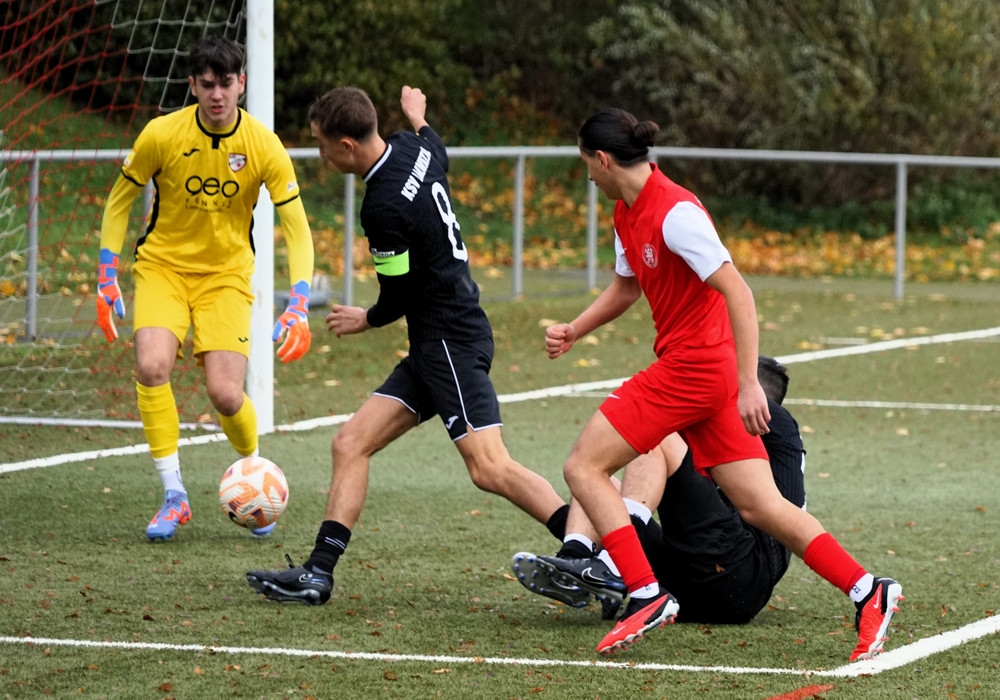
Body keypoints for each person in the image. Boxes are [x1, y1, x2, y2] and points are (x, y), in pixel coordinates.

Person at [539, 107, 902, 659]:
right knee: (761, 506)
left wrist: (748, 383)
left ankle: (644, 593)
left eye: (585, 162)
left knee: (583, 467)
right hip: (700, 375)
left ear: (603, 159)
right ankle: (868, 590)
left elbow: (740, 293)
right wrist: (575, 329)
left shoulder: (677, 212)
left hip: (695, 370)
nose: (586, 173)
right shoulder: (625, 212)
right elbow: (626, 288)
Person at [245, 86, 570, 604]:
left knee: (489, 466)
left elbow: (397, 293)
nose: (321, 155)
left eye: (323, 145)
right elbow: (437, 150)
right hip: (435, 344)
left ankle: (592, 548)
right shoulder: (409, 145)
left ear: (347, 145)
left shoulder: (382, 207)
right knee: (350, 443)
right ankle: (318, 573)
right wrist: (419, 117)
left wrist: (366, 318)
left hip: (450, 341)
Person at [95, 36, 315, 541]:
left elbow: (298, 228)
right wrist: (107, 273)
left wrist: (300, 301)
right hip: (163, 269)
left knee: (225, 393)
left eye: (226, 84)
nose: (218, 94)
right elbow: (118, 201)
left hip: (226, 277)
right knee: (152, 367)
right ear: (192, 85)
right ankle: (174, 496)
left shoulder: (263, 145)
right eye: (208, 84)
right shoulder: (162, 134)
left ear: (242, 84)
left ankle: (254, 479)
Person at [513, 356, 807, 627]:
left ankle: (612, 564)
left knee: (654, 430)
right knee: (592, 473)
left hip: (738, 573)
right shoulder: (731, 429)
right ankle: (577, 561)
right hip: (685, 588)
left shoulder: (771, 417)